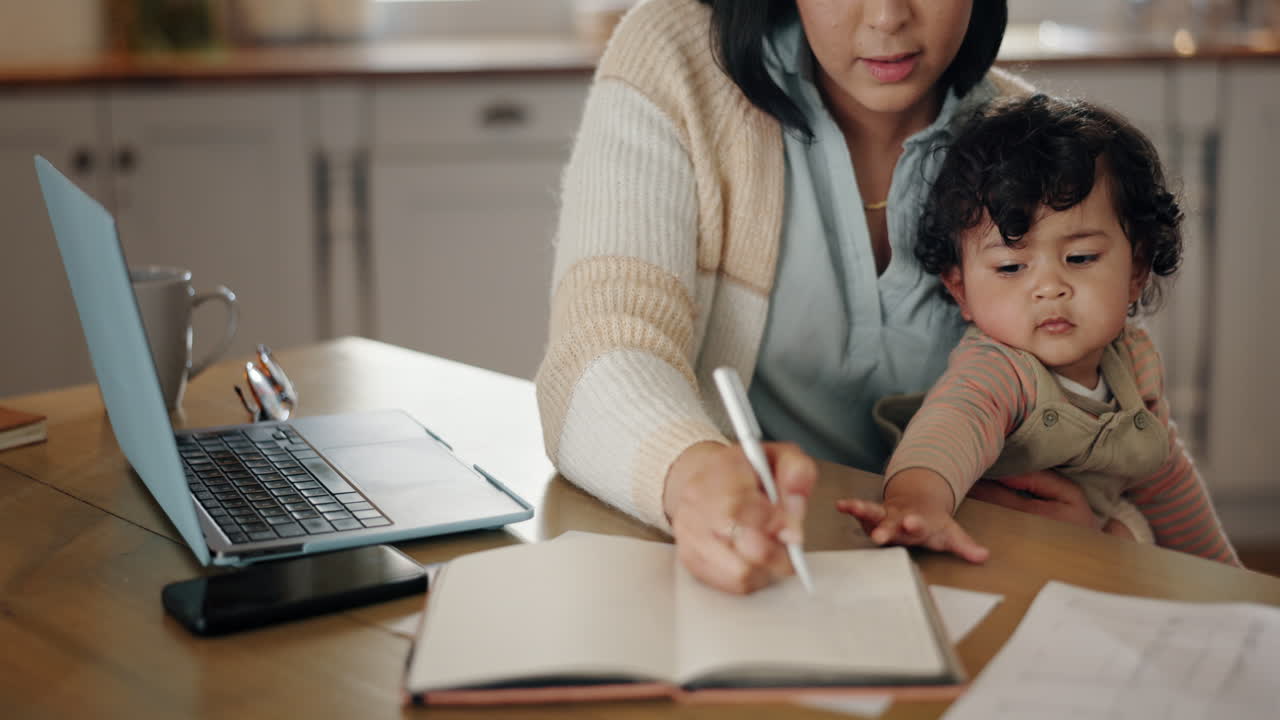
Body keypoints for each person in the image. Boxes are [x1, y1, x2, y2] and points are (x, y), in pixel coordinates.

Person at [536, 0, 1091, 594]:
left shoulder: (1042, 144)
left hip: (981, 582)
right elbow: (595, 355)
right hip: (749, 585)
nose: (886, 17)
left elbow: (1131, 424)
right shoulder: (679, 60)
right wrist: (693, 476)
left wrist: (1108, 529)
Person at [840, 94, 1240, 566]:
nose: (1050, 288)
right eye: (1011, 267)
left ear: (1136, 268)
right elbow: (951, 425)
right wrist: (916, 503)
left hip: (1093, 563)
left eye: (1080, 258)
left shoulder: (1134, 361)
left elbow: (1164, 478)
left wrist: (1226, 575)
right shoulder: (999, 369)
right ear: (961, 290)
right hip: (992, 562)